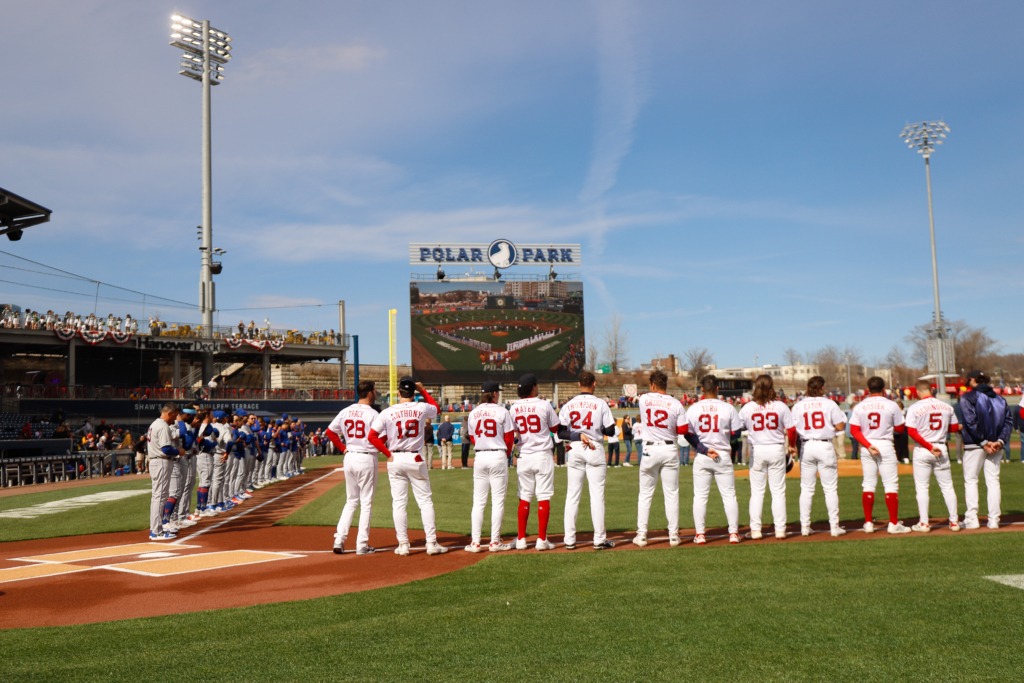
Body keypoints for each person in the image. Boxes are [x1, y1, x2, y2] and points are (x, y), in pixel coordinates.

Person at [510, 373, 590, 551]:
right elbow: (556, 428)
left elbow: (513, 431)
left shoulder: (514, 407)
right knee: (543, 496)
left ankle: (521, 539)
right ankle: (541, 539)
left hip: (524, 455)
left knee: (524, 497)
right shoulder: (543, 404)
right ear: (533, 387)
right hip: (542, 455)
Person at [369, 377, 448, 556]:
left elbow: (372, 436)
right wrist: (423, 390)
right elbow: (437, 409)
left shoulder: (387, 412)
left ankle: (403, 544)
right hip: (414, 457)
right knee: (425, 502)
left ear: (398, 393)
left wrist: (387, 453)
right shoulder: (421, 407)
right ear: (413, 393)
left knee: (399, 503)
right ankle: (431, 543)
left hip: (395, 458)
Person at [559, 370, 617, 549]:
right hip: (594, 446)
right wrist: (600, 428)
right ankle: (599, 539)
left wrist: (577, 434)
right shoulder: (600, 403)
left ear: (579, 384)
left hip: (575, 447)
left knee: (572, 495)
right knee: (597, 496)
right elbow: (611, 431)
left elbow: (561, 432)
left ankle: (569, 540)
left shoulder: (569, 404)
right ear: (594, 383)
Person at [849, 376, 911, 534]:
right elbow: (900, 429)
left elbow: (854, 430)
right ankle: (893, 523)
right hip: (885, 444)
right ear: (884, 389)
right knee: (891, 485)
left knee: (868, 484)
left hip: (867, 445)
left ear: (868, 389)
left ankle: (869, 523)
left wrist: (868, 444)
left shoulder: (860, 406)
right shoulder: (891, 404)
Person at [633, 370, 687, 548]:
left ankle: (642, 535)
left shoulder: (644, 399)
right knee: (671, 494)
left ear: (653, 385)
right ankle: (673, 535)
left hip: (650, 449)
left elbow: (639, 397)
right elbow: (683, 430)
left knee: (645, 494)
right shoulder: (676, 403)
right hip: (669, 447)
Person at [325, 380, 380, 555]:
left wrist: (343, 448)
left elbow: (330, 432)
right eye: (374, 390)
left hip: (350, 457)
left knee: (351, 501)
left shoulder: (346, 411)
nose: (375, 393)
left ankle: (339, 540)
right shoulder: (373, 414)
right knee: (366, 502)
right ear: (369, 392)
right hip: (366, 457)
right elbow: (380, 437)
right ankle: (362, 544)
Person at [687, 376, 742, 545]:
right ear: (717, 388)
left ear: (702, 389)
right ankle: (733, 533)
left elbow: (687, 433)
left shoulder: (693, 408)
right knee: (729, 496)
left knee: (700, 496)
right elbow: (737, 433)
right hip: (722, 454)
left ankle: (700, 534)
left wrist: (702, 448)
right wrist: (724, 437)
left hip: (703, 455)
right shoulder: (728, 407)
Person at [738, 375, 795, 540]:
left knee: (757, 493)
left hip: (758, 450)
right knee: (778, 492)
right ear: (772, 387)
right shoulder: (780, 406)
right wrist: (792, 445)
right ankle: (780, 529)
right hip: (776, 448)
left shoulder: (748, 407)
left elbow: (737, 427)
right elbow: (791, 429)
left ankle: (756, 530)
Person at [790, 375, 848, 536]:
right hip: (824, 445)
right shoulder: (829, 403)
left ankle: (804, 526)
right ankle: (834, 526)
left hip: (807, 445)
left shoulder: (798, 405)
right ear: (822, 388)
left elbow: (792, 428)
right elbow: (840, 426)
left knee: (806, 489)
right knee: (830, 489)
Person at [955, 370, 1012, 529]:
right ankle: (994, 520)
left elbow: (970, 422)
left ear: (972, 380)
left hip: (975, 444)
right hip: (995, 445)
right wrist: (999, 441)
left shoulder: (968, 397)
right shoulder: (1000, 399)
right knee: (993, 481)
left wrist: (984, 442)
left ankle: (972, 519)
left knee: (971, 480)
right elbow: (1008, 422)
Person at [464, 380, 515, 552]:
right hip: (497, 454)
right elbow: (509, 437)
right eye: (497, 392)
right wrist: (505, 455)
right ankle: (494, 542)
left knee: (478, 502)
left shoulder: (473, 413)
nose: (498, 394)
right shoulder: (502, 411)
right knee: (497, 501)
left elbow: (472, 437)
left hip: (480, 455)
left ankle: (475, 542)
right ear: (493, 394)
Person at [905, 379, 961, 532]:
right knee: (947, 486)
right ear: (931, 389)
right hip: (941, 446)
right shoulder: (947, 406)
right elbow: (954, 427)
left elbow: (911, 432)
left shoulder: (914, 407)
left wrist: (929, 446)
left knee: (922, 488)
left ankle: (924, 523)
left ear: (918, 391)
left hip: (923, 448)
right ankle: (954, 522)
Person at [147, 402, 183, 540]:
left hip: (157, 461)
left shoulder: (155, 423)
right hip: (161, 461)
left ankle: (156, 529)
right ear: (169, 413)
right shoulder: (162, 426)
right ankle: (156, 531)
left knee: (158, 496)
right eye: (174, 415)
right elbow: (166, 448)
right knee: (160, 497)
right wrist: (178, 451)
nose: (175, 419)